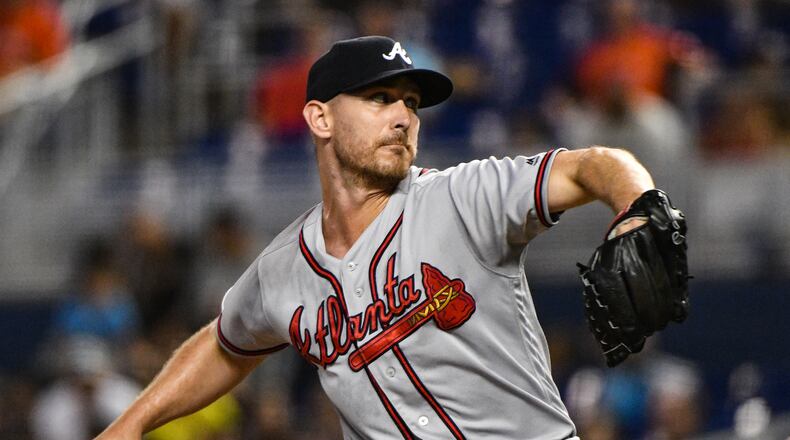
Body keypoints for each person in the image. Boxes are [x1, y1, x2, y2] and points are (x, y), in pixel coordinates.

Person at [97, 36, 671, 440]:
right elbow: (227, 342)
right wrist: (135, 419)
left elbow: (592, 164)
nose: (403, 116)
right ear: (320, 119)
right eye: (379, 98)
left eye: (411, 103)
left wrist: (638, 207)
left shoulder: (463, 196)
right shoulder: (282, 271)